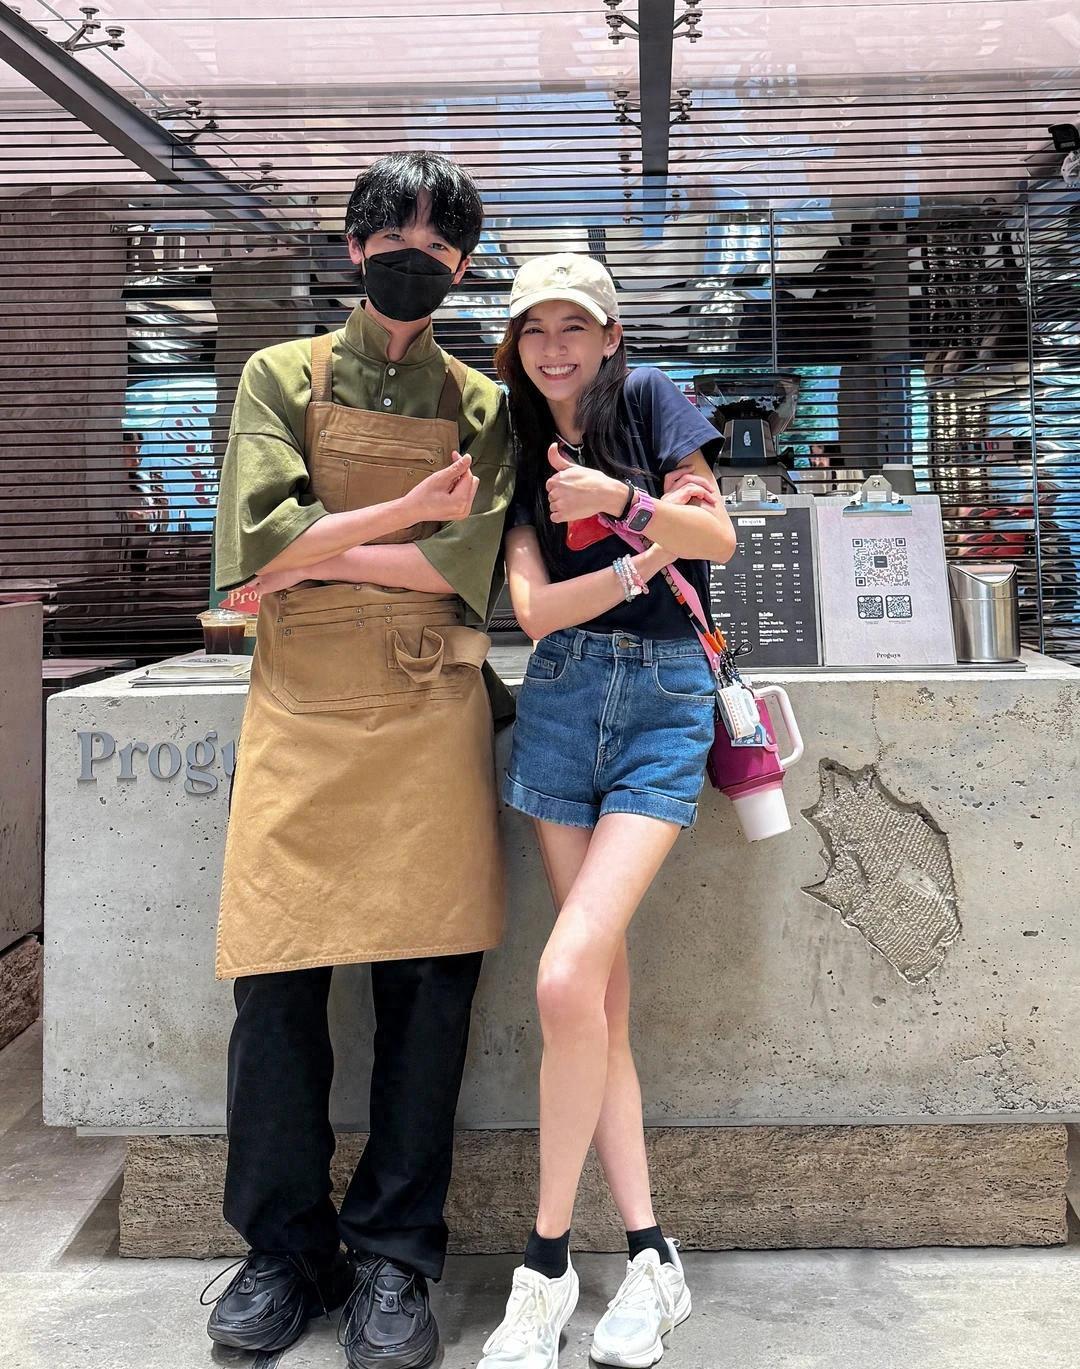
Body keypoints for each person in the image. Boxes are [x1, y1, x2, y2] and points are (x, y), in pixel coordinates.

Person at [203, 152, 515, 1369]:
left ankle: (394, 1252)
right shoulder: (280, 376)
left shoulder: (484, 404)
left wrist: (318, 551)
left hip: (431, 712)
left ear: (462, 268)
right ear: (352, 248)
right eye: (393, 239)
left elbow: (467, 570)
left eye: (437, 247)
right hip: (300, 711)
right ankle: (285, 1252)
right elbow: (252, 551)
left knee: (429, 995)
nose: (412, 261)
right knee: (275, 986)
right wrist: (401, 518)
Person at [478, 254, 736, 1369]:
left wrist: (623, 505)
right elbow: (534, 611)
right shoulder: (514, 442)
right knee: (598, 1002)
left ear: (611, 333)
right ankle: (650, 1256)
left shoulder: (651, 402)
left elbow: (717, 538)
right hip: (560, 705)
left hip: (662, 708)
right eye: (534, 328)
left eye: (573, 325)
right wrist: (636, 562)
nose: (554, 347)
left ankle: (543, 1265)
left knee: (564, 977)